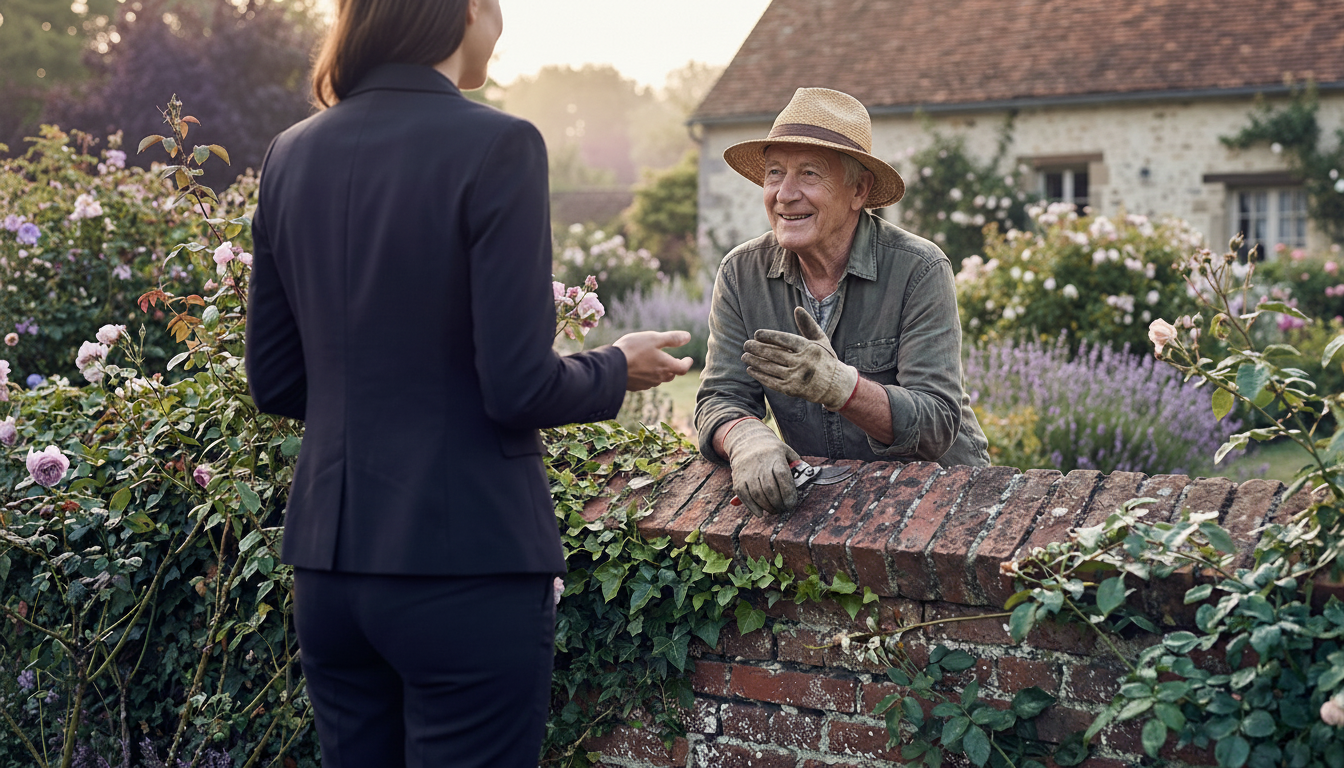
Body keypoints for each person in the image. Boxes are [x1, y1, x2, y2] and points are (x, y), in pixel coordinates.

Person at [244, 1, 693, 765]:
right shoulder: (499, 145)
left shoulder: (291, 152)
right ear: (461, 14)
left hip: (328, 573)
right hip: (464, 569)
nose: (503, 23)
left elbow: (277, 379)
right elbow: (517, 387)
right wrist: (618, 366)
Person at [694, 87, 990, 516]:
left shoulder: (918, 269)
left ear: (859, 190)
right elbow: (720, 397)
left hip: (940, 504)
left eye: (809, 174)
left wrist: (841, 387)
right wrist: (745, 438)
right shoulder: (742, 274)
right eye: (775, 173)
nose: (784, 194)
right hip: (832, 504)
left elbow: (936, 423)